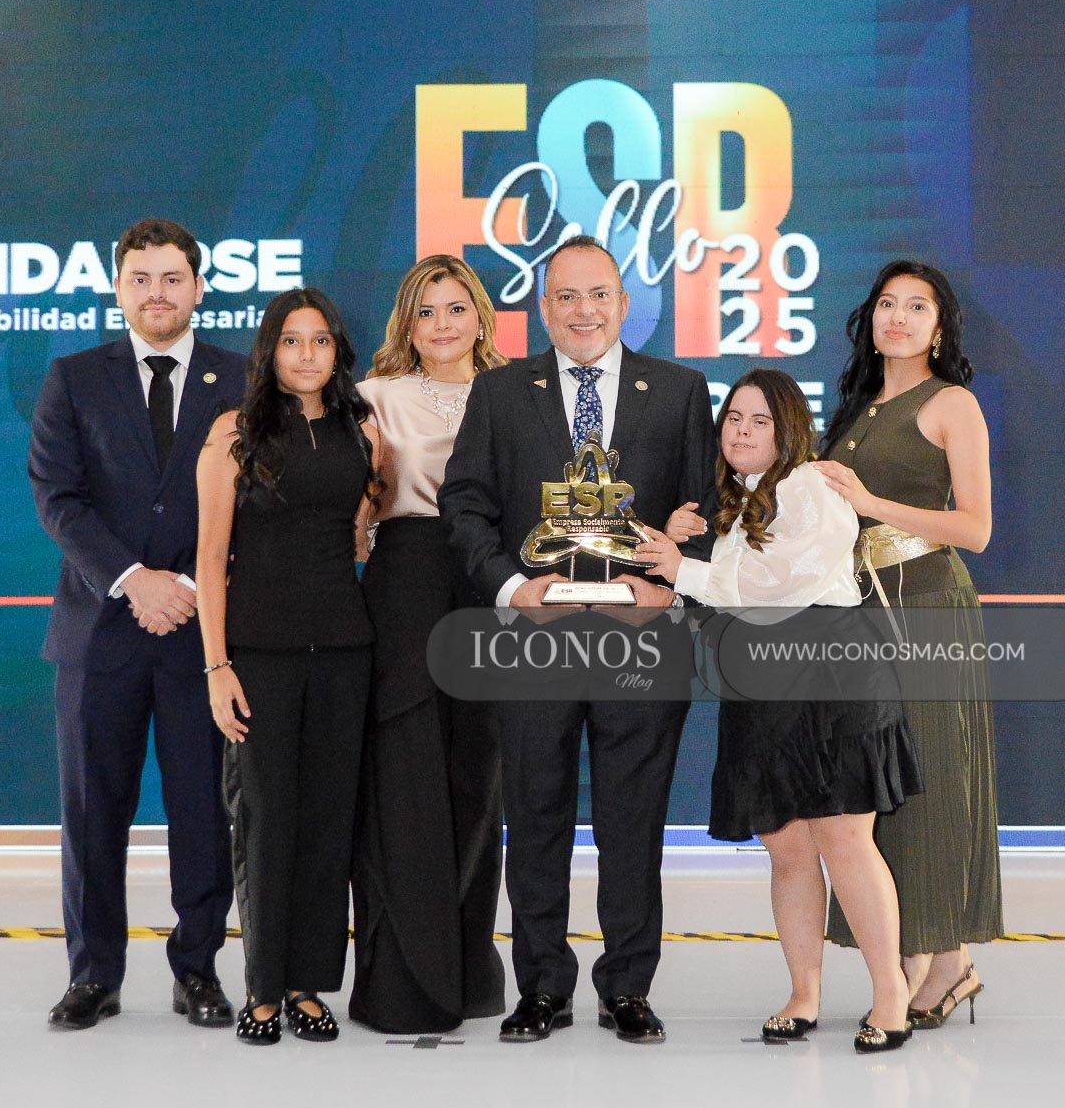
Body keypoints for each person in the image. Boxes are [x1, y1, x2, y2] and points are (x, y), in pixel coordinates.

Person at [438, 235, 716, 1045]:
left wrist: (669, 588)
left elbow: (706, 510)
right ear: (543, 308)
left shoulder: (680, 390)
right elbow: (465, 504)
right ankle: (542, 988)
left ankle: (627, 987)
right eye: (565, 296)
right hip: (535, 638)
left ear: (624, 304)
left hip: (641, 641)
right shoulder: (500, 392)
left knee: (634, 822)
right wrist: (510, 588)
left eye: (598, 295)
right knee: (535, 817)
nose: (583, 311)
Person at [637, 370, 922, 1053]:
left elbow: (778, 585)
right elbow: (729, 594)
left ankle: (891, 997)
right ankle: (803, 993)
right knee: (787, 848)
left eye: (759, 420)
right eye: (733, 418)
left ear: (789, 427)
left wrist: (683, 569)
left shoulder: (810, 486)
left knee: (845, 838)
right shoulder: (739, 501)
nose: (741, 431)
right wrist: (681, 551)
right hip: (762, 684)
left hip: (831, 675)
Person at [28, 217, 246, 1031]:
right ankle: (93, 976)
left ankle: (198, 971)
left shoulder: (242, 378)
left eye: (172, 278)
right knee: (92, 814)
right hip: (99, 633)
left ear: (199, 288)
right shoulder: (74, 377)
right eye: (141, 279)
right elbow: (58, 497)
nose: (157, 294)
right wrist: (133, 581)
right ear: (118, 289)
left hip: (202, 632)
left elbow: (261, 495)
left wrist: (186, 585)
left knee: (203, 814)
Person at [814, 260, 1002, 1027]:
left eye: (917, 306)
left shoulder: (952, 403)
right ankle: (945, 964)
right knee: (878, 786)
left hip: (925, 605)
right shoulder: (859, 406)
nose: (898, 316)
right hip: (860, 610)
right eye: (887, 303)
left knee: (929, 778)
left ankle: (933, 958)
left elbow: (976, 529)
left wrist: (870, 501)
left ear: (940, 327)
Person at [196, 289, 375, 1045]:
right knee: (266, 820)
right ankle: (262, 989)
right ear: (269, 351)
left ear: (338, 350)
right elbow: (210, 561)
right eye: (292, 340)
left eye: (321, 340)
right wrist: (217, 665)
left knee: (329, 821)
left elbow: (361, 535)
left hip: (344, 651)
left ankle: (307, 985)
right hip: (259, 655)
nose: (307, 354)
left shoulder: (362, 429)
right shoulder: (232, 434)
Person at [349, 256, 508, 1033]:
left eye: (455, 308)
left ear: (479, 315)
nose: (442, 324)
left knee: (477, 776)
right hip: (405, 587)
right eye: (426, 311)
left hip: (491, 588)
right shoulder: (374, 396)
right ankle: (404, 982)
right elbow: (351, 511)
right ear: (406, 325)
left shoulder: (517, 395)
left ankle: (469, 972)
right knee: (402, 777)